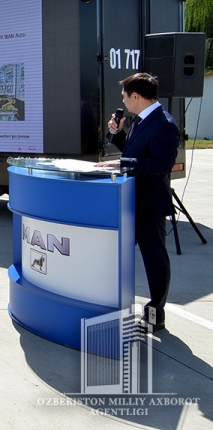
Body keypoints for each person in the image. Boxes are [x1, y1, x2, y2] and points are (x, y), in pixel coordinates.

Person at [100, 73, 179, 331]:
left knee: (154, 259)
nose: (122, 100)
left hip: (149, 204)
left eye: (124, 95)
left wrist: (122, 163)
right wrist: (119, 134)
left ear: (135, 96)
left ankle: (156, 313)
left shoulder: (164, 124)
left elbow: (160, 165)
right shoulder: (142, 120)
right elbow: (136, 152)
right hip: (131, 201)